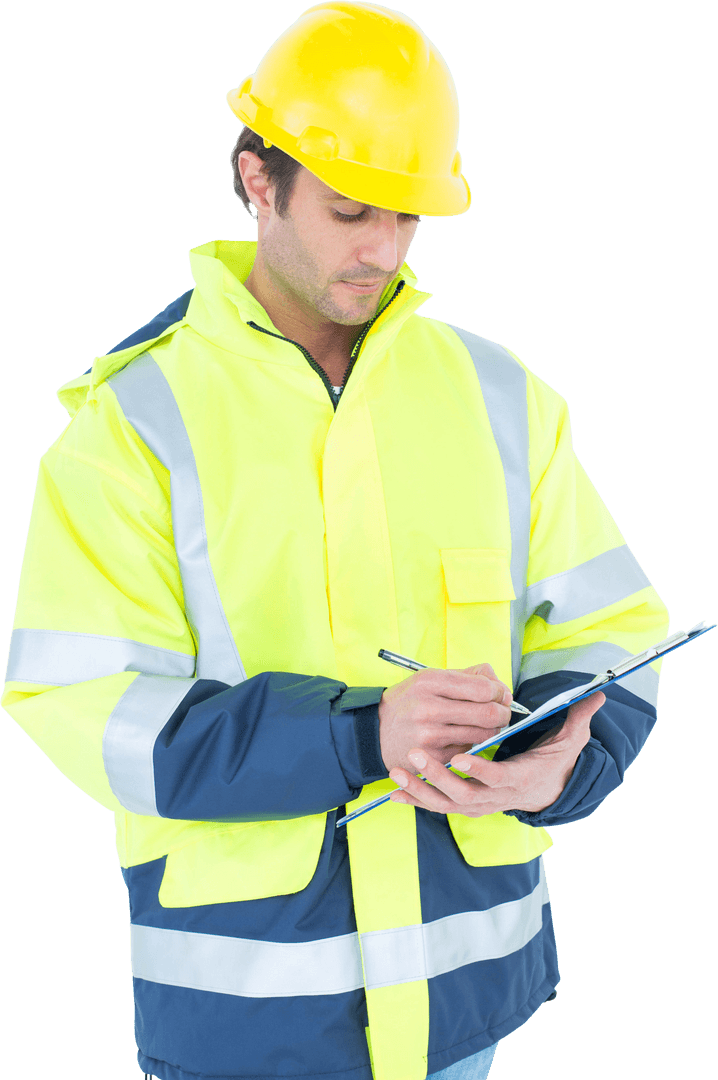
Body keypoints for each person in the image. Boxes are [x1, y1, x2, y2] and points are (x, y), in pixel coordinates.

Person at [1, 3, 669, 1080]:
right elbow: (80, 705)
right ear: (257, 180)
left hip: (468, 1004)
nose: (381, 250)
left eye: (406, 217)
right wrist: (362, 738)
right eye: (351, 210)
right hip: (250, 1021)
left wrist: (561, 764)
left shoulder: (500, 393)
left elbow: (611, 624)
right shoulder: (132, 422)